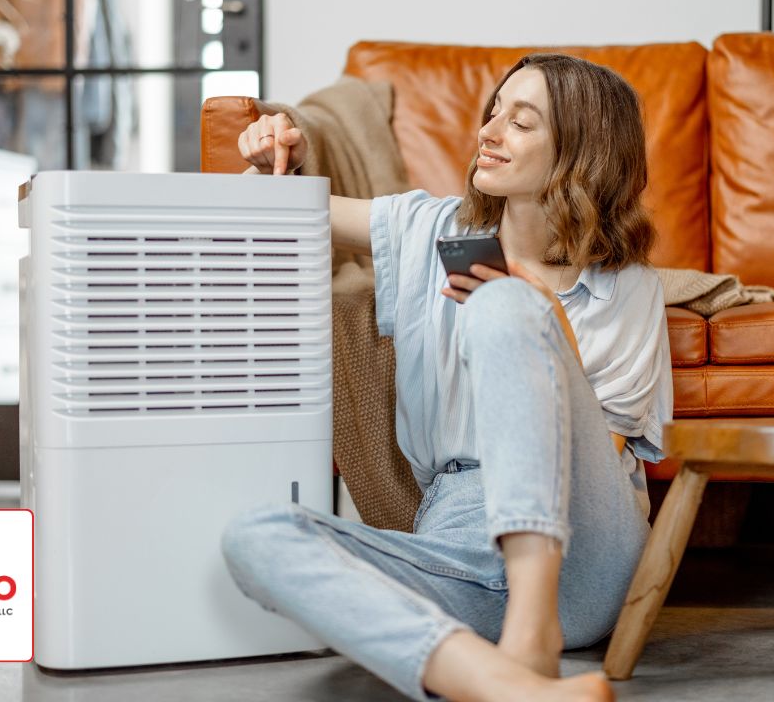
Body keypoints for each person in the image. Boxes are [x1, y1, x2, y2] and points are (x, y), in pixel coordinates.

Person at [222, 53, 673, 702]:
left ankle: (530, 636)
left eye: (521, 123)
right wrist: (267, 157)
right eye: (494, 113)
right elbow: (286, 212)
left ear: (583, 151)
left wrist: (528, 309)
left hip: (584, 553)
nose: (488, 132)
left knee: (505, 303)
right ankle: (503, 687)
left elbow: (600, 453)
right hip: (457, 542)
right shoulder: (427, 228)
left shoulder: (628, 288)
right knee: (255, 538)